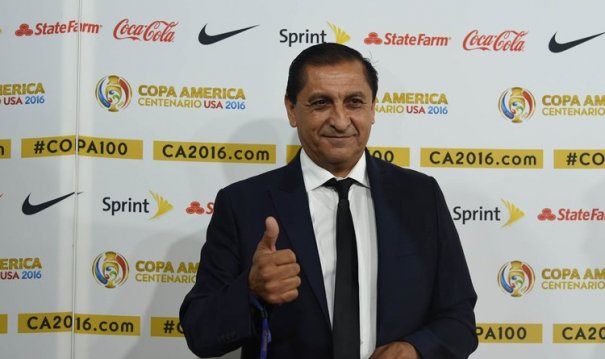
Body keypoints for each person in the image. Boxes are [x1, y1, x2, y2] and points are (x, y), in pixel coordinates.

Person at [180, 43, 477, 359]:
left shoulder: (420, 196)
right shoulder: (242, 204)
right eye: (321, 103)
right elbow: (200, 332)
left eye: (354, 102)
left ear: (373, 109)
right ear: (292, 110)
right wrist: (251, 291)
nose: (340, 120)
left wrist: (416, 349)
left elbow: (459, 319)